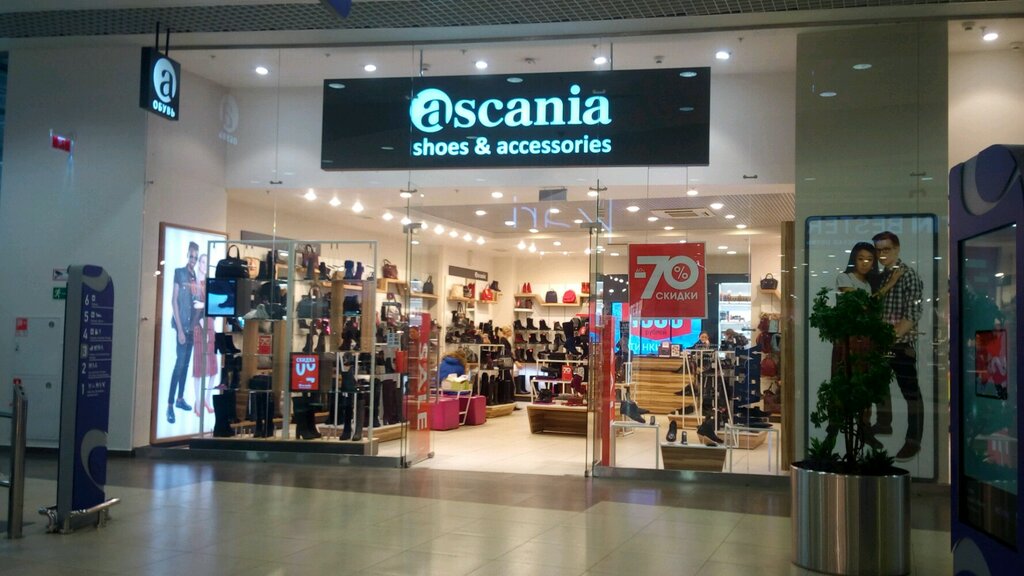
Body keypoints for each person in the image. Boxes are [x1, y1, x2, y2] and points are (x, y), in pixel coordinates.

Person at [873, 231, 924, 459]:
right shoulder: (883, 277)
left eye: (886, 249)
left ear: (897, 249)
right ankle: (884, 423)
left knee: (911, 393)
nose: (882, 254)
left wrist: (890, 338)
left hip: (901, 345)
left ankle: (913, 440)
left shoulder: (908, 275)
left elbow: (913, 313)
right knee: (879, 387)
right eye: (879, 250)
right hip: (882, 343)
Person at [168, 241, 199, 424]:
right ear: (187, 254)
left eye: (196, 257)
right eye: (192, 256)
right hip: (182, 327)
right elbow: (174, 301)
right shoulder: (179, 273)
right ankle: (170, 405)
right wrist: (179, 329)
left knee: (186, 365)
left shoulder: (196, 278)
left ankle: (180, 399)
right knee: (179, 365)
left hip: (192, 328)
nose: (193, 259)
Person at [191, 254, 217, 417]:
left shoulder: (210, 284)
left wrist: (204, 305)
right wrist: (202, 307)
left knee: (213, 367)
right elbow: (193, 305)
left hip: (210, 324)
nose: (204, 265)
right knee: (199, 366)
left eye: (207, 263)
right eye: (202, 262)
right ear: (199, 263)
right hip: (199, 326)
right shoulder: (194, 283)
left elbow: (214, 305)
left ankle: (206, 399)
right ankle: (198, 402)